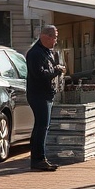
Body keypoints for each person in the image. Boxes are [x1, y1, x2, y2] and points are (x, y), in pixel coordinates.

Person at [26, 24, 67, 171]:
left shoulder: (48, 52)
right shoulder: (35, 53)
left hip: (47, 94)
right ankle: (38, 159)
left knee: (43, 126)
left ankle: (39, 158)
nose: (55, 41)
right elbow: (40, 74)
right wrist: (57, 70)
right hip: (38, 95)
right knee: (41, 126)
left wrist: (57, 68)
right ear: (45, 37)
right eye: (54, 37)